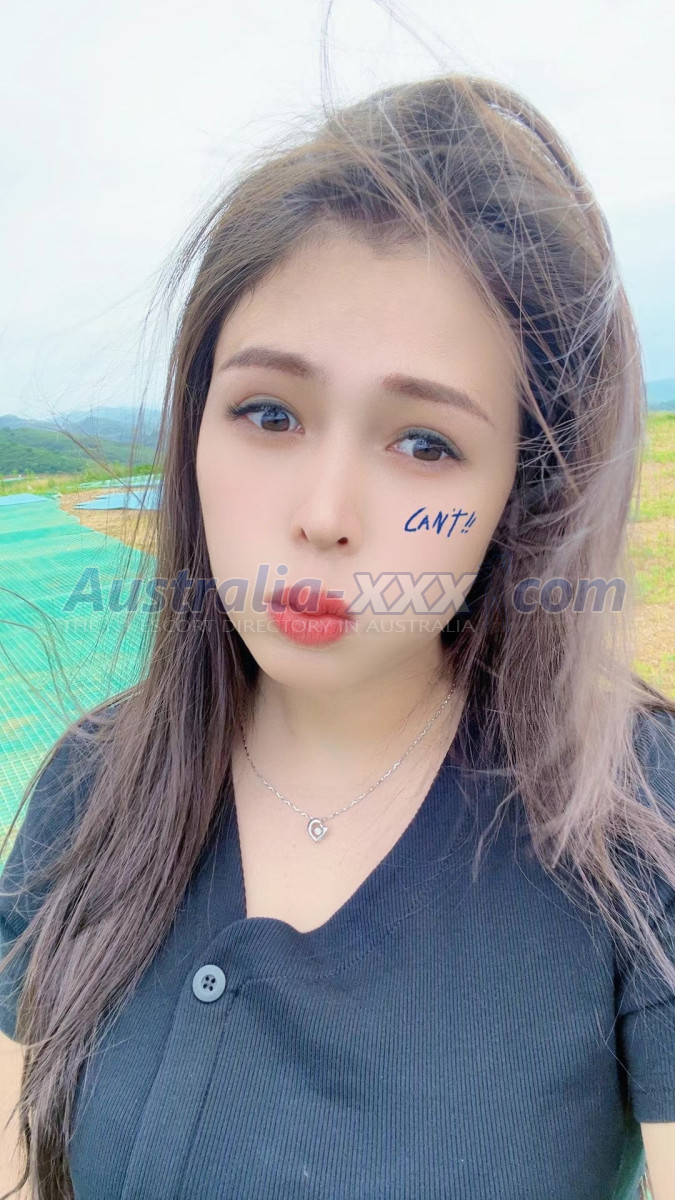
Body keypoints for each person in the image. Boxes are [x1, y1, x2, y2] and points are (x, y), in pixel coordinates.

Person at [1, 69, 674, 1200]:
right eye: (269, 413)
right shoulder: (91, 787)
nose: (323, 515)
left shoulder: (635, 821)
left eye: (424, 444)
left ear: (524, 491)